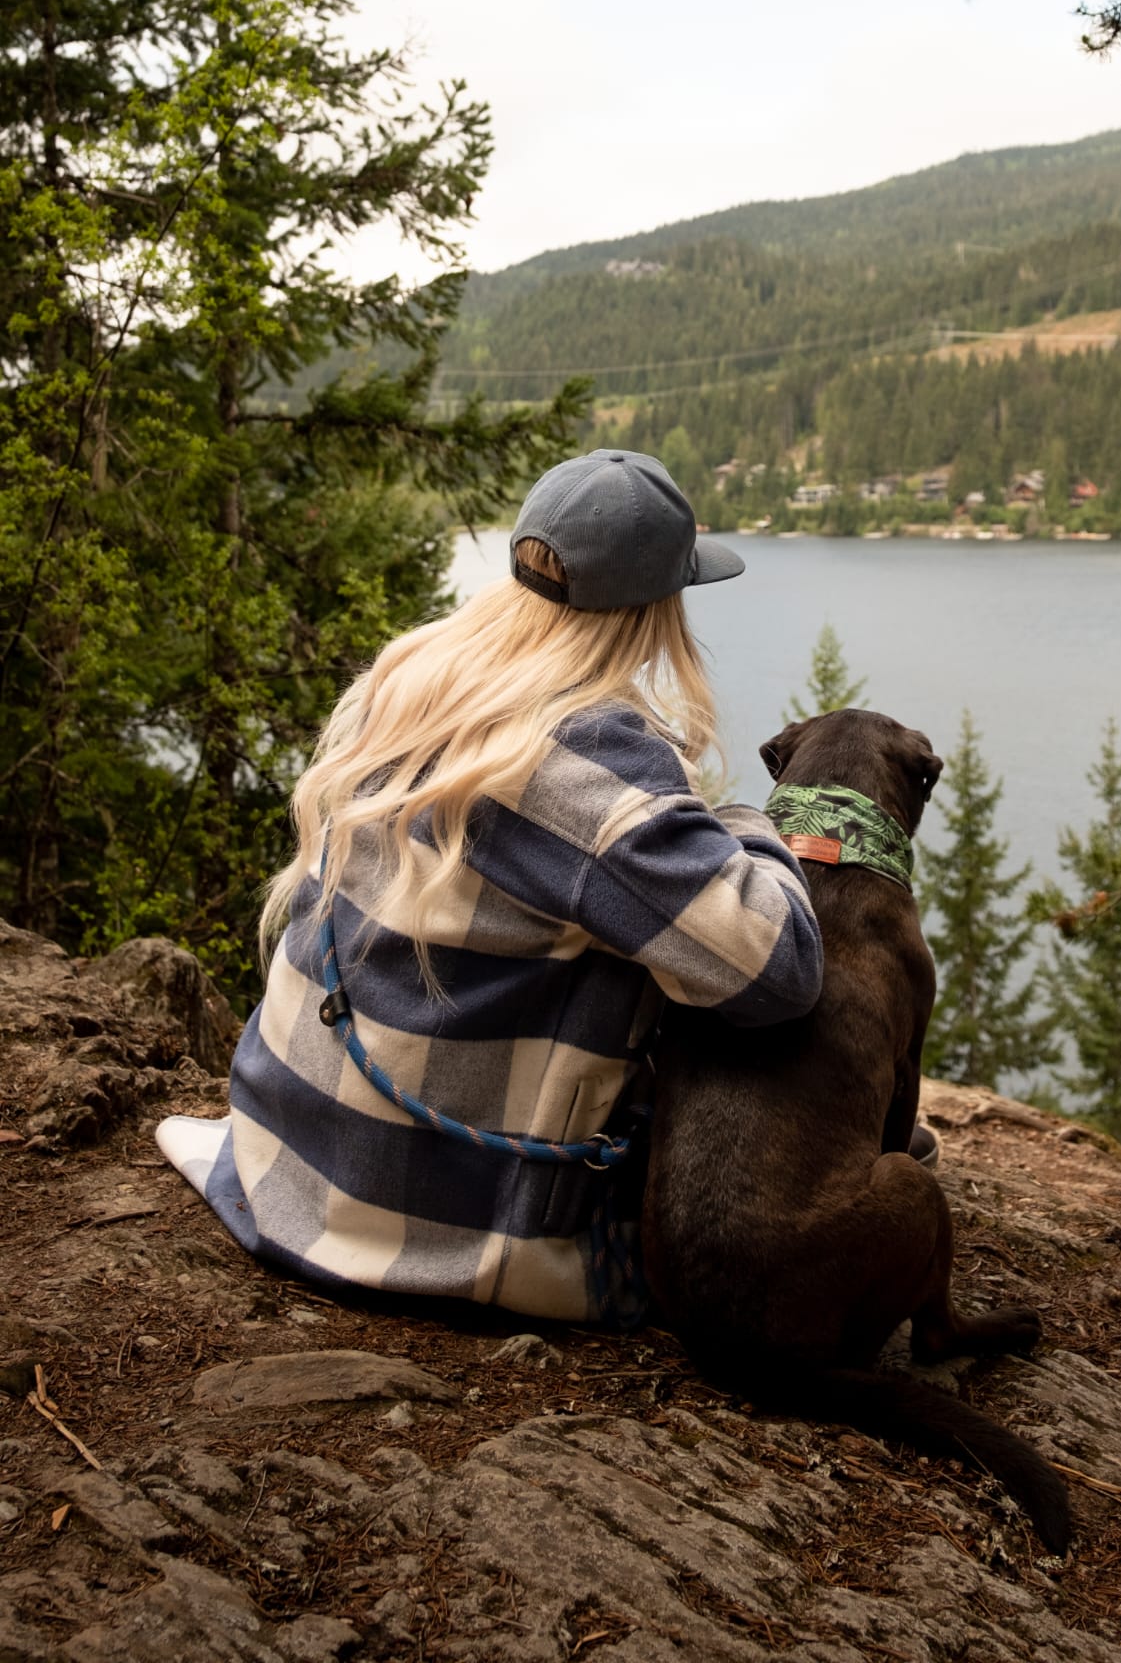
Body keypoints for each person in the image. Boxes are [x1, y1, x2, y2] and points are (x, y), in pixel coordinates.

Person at [156, 449, 824, 1327]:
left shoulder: (410, 675)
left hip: (282, 1159)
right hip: (446, 1231)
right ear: (656, 608)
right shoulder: (592, 765)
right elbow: (779, 971)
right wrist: (745, 823)